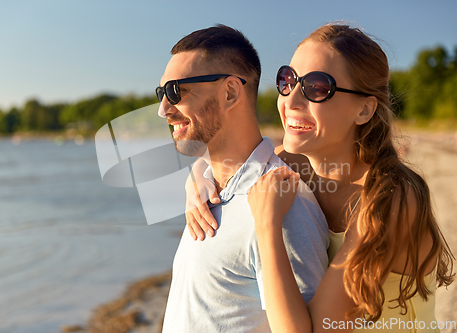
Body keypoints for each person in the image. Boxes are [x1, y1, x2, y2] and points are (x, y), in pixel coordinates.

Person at [188, 24, 454, 332]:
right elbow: (223, 161)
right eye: (288, 81)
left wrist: (267, 226)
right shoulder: (291, 164)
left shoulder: (390, 199)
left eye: (316, 88)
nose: (291, 101)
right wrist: (197, 178)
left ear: (364, 109)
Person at [156, 25, 329, 332]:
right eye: (161, 93)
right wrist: (198, 172)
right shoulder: (204, 191)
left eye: (175, 92)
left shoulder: (285, 207)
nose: (163, 109)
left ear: (230, 92)